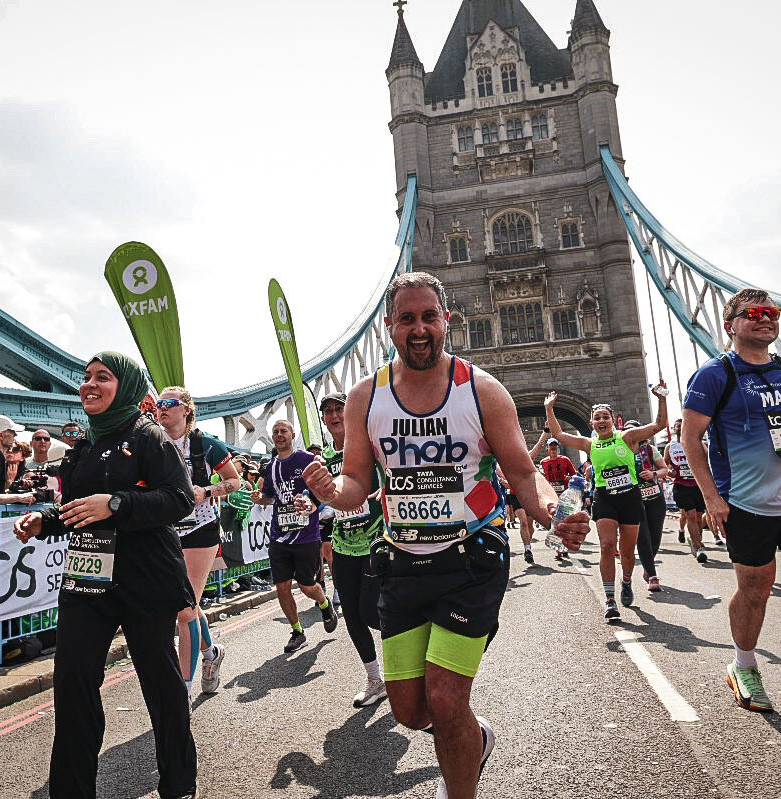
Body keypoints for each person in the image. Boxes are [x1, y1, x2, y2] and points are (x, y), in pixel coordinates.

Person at [301, 272, 590, 799]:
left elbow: (523, 474)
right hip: (402, 563)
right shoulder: (366, 396)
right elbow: (357, 483)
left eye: (428, 317)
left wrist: (553, 513)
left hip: (470, 560)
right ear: (389, 326)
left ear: (446, 321)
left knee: (447, 698)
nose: (419, 329)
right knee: (411, 711)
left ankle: (460, 773)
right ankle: (473, 740)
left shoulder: (481, 391)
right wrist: (330, 490)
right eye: (407, 318)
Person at [13, 352, 198, 799]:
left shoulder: (149, 436)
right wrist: (44, 521)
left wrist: (116, 504)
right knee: (72, 683)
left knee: (159, 682)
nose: (89, 384)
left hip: (144, 579)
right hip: (87, 579)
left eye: (103, 377)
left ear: (127, 386)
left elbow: (180, 500)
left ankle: (178, 784)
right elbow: (79, 508)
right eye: (86, 377)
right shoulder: (84, 443)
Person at [681, 288, 781, 713]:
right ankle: (743, 665)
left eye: (771, 312)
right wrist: (712, 497)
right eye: (752, 313)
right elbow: (690, 439)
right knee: (755, 589)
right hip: (746, 502)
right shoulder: (714, 375)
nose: (766, 318)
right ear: (729, 325)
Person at [545, 385, 669, 621]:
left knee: (627, 553)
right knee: (606, 546)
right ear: (592, 423)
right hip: (605, 498)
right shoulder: (590, 444)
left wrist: (661, 398)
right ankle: (610, 599)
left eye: (605, 417)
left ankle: (627, 581)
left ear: (612, 421)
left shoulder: (627, 437)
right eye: (597, 418)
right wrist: (549, 408)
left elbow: (658, 425)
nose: (601, 421)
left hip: (630, 497)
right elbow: (559, 435)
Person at [155, 385, 238, 701]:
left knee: (185, 611)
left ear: (186, 410)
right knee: (188, 604)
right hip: (165, 531)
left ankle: (182, 692)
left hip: (200, 530)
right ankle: (212, 653)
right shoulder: (152, 442)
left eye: (169, 403)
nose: (162, 408)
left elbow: (234, 481)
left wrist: (207, 492)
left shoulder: (206, 444)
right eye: (159, 403)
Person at [319, 390, 386, 708]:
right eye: (328, 411)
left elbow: (394, 468)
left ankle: (409, 664)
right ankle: (375, 680)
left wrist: (387, 486)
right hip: (344, 543)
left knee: (371, 611)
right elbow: (324, 500)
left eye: (339, 409)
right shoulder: (322, 459)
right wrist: (310, 503)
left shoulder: (369, 445)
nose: (334, 415)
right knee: (352, 616)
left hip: (375, 538)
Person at [251, 419, 338, 653]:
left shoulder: (306, 459)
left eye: (283, 431)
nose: (279, 435)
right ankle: (297, 632)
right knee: (282, 587)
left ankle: (324, 603)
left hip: (306, 535)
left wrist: (311, 501)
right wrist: (260, 498)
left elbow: (325, 487)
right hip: (279, 536)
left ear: (292, 434)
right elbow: (270, 497)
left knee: (307, 586)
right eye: (275, 432)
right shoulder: (271, 467)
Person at [625, 420, 669, 592]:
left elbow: (664, 469)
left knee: (655, 537)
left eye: (634, 431)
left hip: (655, 498)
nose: (631, 434)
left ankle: (647, 564)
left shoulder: (650, 450)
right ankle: (652, 575)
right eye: (627, 431)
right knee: (643, 537)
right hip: (634, 500)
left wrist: (653, 474)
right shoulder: (620, 452)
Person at [665, 418, 714, 559]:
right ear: (674, 429)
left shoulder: (698, 443)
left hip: (698, 485)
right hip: (681, 486)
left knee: (698, 518)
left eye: (682, 425)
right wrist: (670, 472)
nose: (679, 427)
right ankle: (699, 548)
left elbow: (709, 460)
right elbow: (665, 465)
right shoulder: (670, 447)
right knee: (690, 516)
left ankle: (696, 540)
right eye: (677, 426)